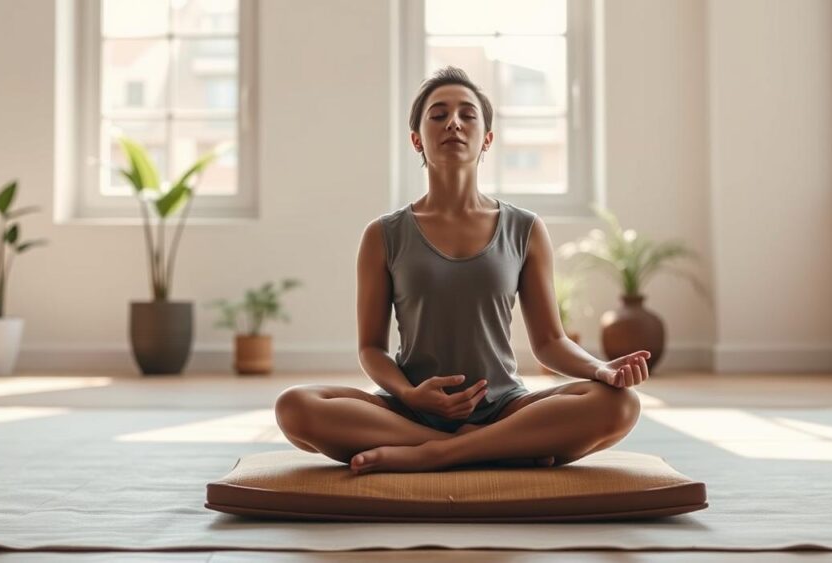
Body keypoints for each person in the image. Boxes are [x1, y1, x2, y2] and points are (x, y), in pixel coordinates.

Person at [275, 67, 649, 475]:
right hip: (407, 411)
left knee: (620, 404)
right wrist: (410, 394)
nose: (453, 122)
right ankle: (490, 450)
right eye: (438, 115)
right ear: (417, 139)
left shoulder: (524, 228)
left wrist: (601, 368)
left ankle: (433, 455)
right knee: (295, 407)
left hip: (505, 408)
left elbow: (550, 342)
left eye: (467, 114)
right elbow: (371, 349)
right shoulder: (383, 235)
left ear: (487, 138)